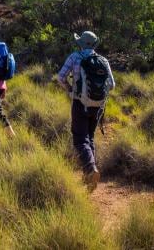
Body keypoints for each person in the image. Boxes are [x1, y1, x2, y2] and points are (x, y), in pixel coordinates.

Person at [56, 31, 115, 192]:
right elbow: (112, 85)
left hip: (79, 103)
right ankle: (89, 177)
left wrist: (70, 90)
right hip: (98, 106)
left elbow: (60, 77)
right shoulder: (103, 60)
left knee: (80, 139)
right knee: (90, 137)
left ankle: (90, 170)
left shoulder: (75, 57)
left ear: (81, 43)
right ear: (94, 44)